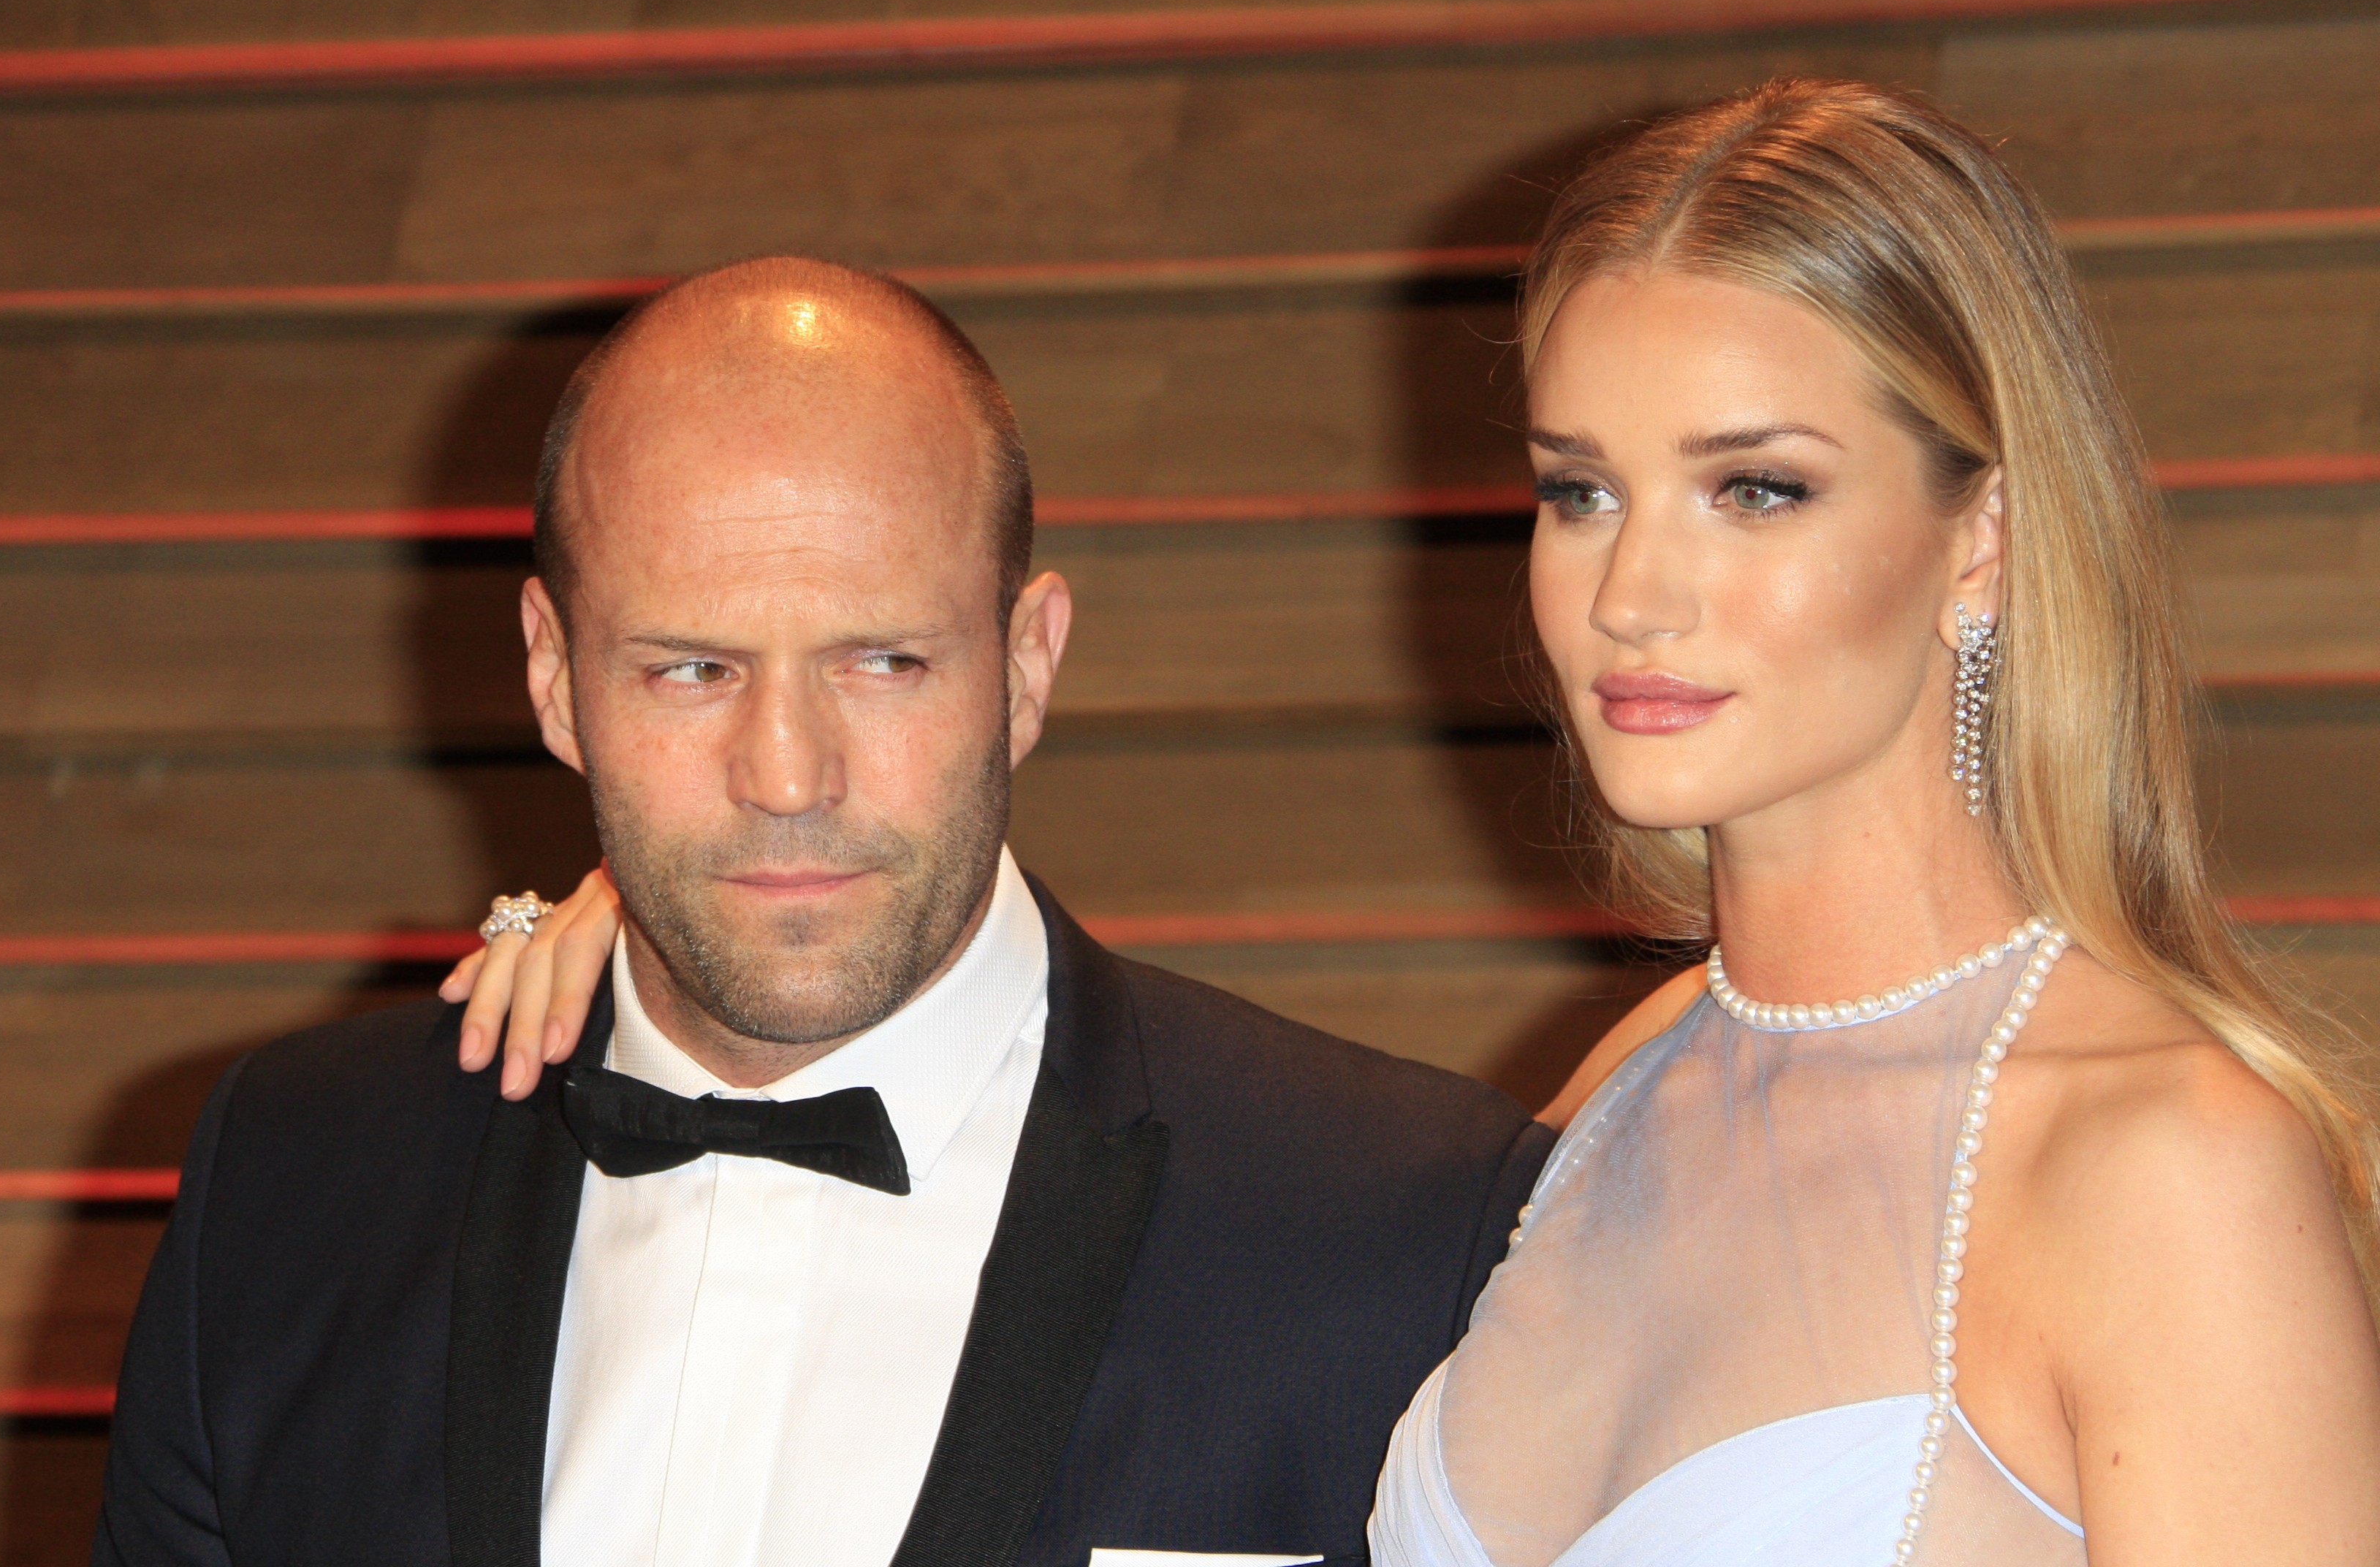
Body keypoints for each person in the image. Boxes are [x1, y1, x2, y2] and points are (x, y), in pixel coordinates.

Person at [463, 88, 2380, 1565]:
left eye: (1756, 490)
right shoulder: (1622, 1096)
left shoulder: (2168, 1171)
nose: (1633, 593)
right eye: (1581, 490)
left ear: (1982, 538)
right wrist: (693, 946)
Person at [92, 255, 1551, 1567]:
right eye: (691, 671)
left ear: (1026, 665)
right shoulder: (290, 1187)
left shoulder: (1403, 1228)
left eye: (882, 662)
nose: (787, 776)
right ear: (553, 678)